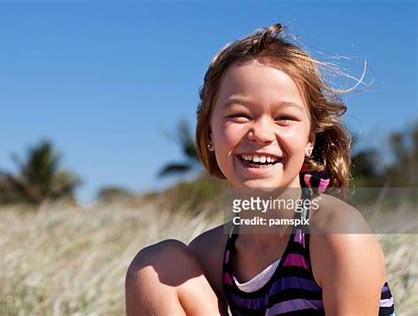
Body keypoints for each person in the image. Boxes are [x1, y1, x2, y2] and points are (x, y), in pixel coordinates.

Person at [125, 23, 395, 315]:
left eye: (284, 117)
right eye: (239, 115)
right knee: (155, 267)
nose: (262, 133)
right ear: (210, 135)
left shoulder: (336, 235)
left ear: (309, 140)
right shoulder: (212, 255)